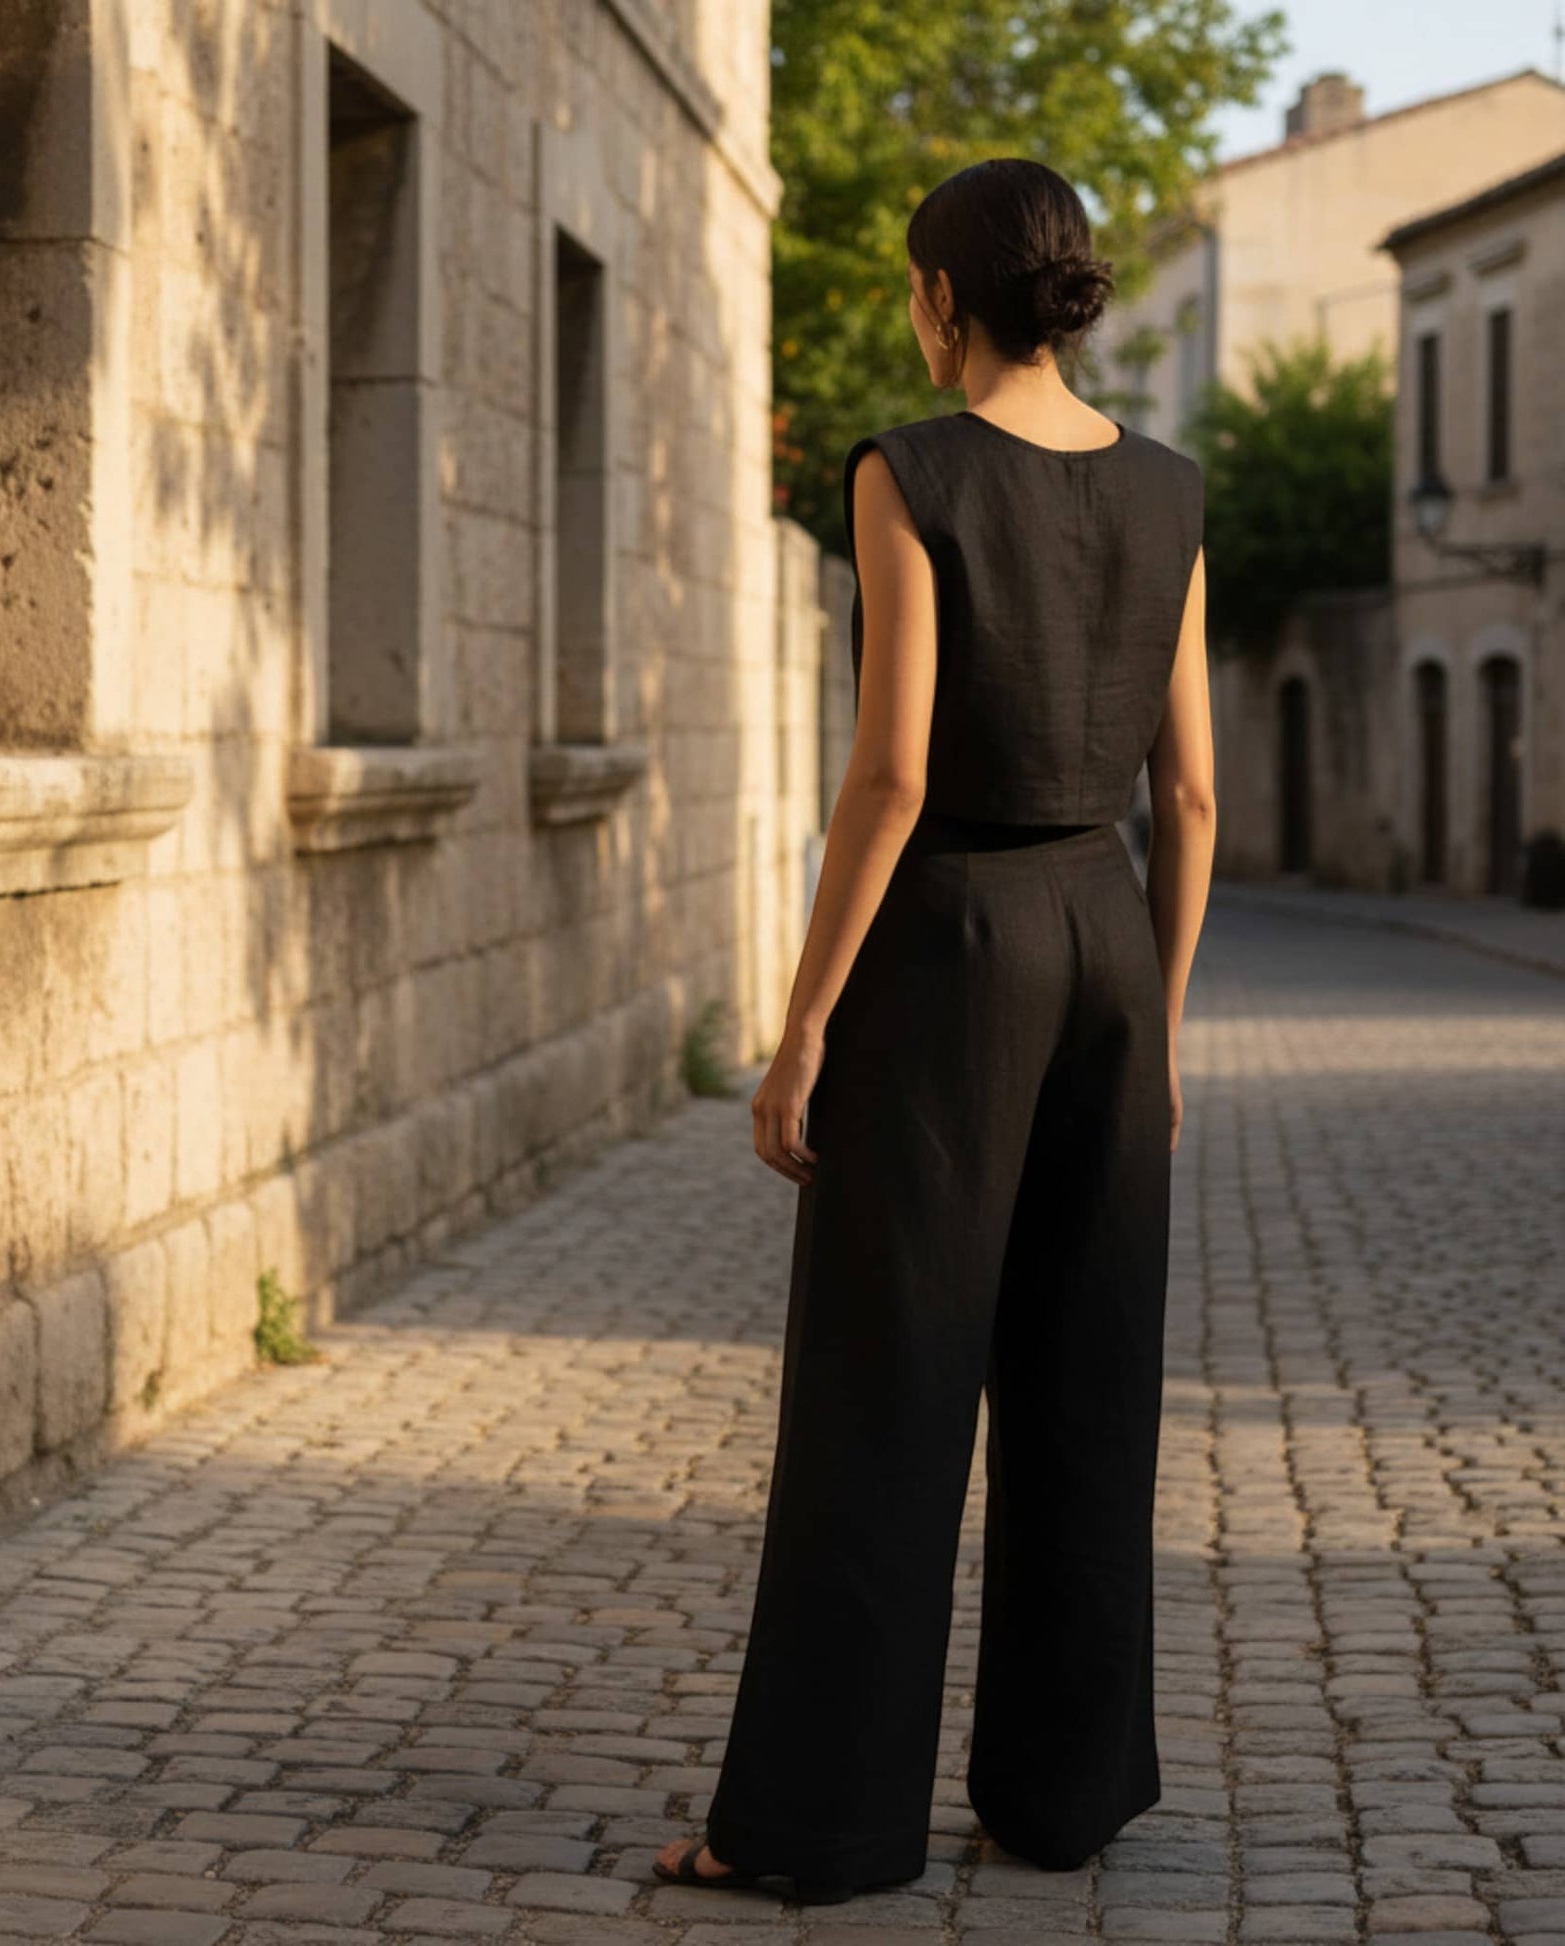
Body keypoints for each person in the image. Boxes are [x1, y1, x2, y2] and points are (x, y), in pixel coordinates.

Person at [653, 157, 1217, 1906]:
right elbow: (1189, 791)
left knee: (883, 1388)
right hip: (1109, 943)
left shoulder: (906, 472)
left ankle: (809, 1826)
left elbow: (889, 774)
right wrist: (1165, 1031)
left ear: (936, 300)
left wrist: (803, 1023)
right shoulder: (1173, 493)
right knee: (1087, 1381)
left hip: (953, 949)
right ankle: (1060, 1800)